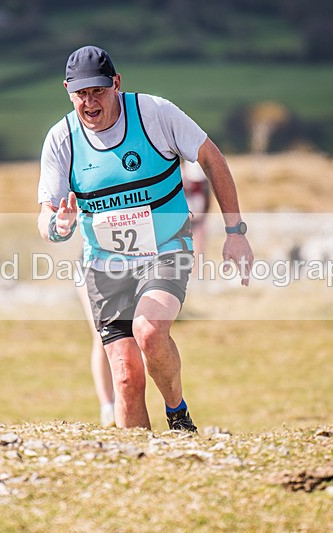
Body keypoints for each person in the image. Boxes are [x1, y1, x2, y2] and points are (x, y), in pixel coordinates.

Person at [37, 45, 253, 431]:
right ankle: (139, 466)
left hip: (166, 249)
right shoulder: (61, 139)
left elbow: (211, 158)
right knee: (125, 376)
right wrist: (60, 225)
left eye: (98, 91)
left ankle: (177, 412)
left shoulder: (155, 114)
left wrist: (235, 232)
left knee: (150, 332)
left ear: (116, 84)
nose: (90, 102)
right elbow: (47, 218)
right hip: (104, 263)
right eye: (80, 93)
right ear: (68, 90)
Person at [78, 160, 212, 428]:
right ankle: (108, 408)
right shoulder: (127, 168)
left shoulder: (196, 181)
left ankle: (173, 414)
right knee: (103, 339)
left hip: (152, 261)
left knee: (148, 333)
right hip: (98, 264)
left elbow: (201, 221)